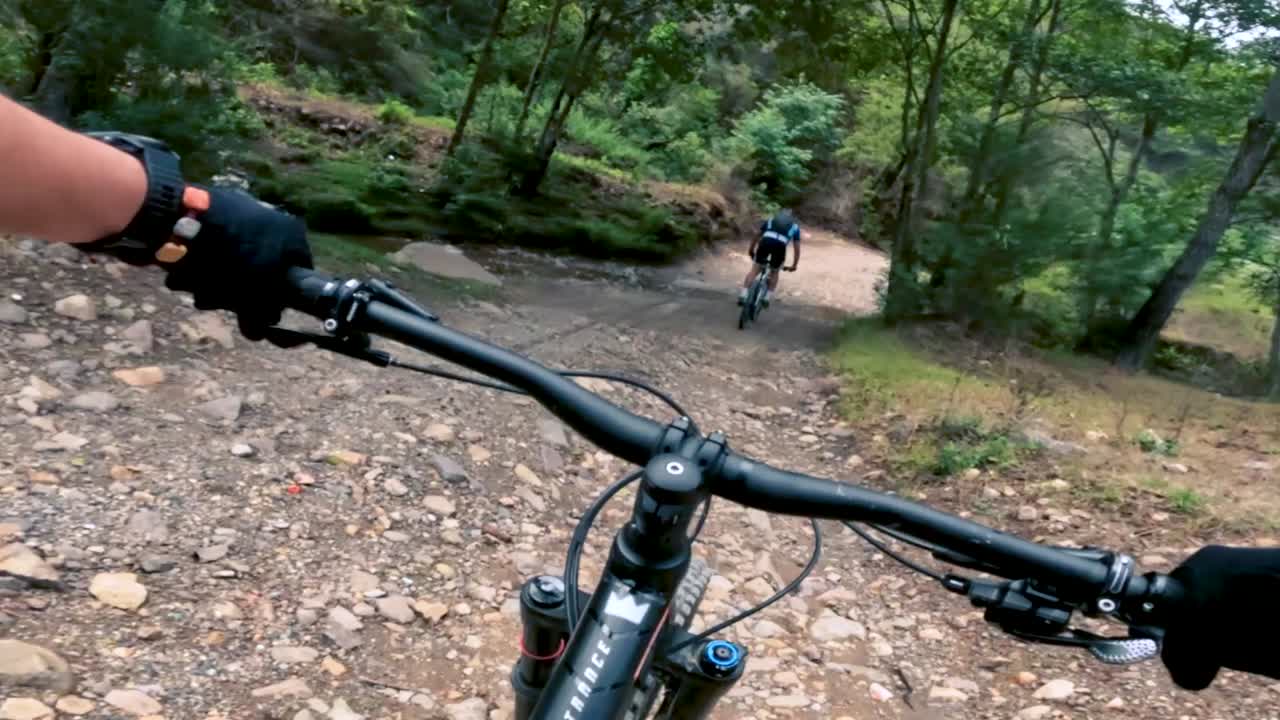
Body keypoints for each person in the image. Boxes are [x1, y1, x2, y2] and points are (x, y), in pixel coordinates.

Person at [1, 93, 1279, 694]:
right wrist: (164, 216)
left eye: (776, 235)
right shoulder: (766, 220)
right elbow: (756, 240)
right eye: (775, 233)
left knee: (766, 286)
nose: (777, 234)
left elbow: (776, 242)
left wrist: (167, 218)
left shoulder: (786, 229)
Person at [739, 208, 801, 307]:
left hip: (765, 242)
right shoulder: (795, 226)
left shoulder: (771, 220)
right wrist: (794, 265)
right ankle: (767, 297)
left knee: (755, 270)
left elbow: (757, 235)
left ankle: (743, 293)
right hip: (780, 246)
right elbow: (797, 248)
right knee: (775, 271)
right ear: (792, 217)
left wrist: (751, 249)